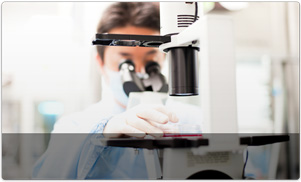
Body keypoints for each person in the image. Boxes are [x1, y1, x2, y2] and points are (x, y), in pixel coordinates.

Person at [32, 2, 202, 179]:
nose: (139, 72)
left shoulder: (193, 120)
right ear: (101, 62)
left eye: (151, 61)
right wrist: (101, 135)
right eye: (125, 63)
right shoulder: (73, 126)